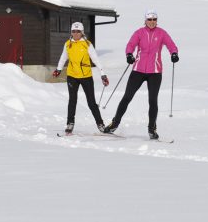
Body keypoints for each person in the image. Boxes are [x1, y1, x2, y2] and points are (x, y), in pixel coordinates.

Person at [103, 10, 179, 140]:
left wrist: (174, 53)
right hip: (138, 70)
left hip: (154, 72)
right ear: (145, 20)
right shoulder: (139, 32)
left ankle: (151, 129)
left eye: (154, 19)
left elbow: (171, 44)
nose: (152, 22)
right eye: (149, 19)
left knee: (153, 101)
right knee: (127, 97)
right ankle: (114, 124)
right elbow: (130, 45)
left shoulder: (161, 33)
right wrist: (129, 54)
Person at [54, 22, 109, 135]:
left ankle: (100, 124)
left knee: (91, 102)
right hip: (72, 76)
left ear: (82, 32)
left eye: (78, 31)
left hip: (86, 76)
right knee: (72, 100)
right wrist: (58, 69)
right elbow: (63, 57)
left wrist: (102, 73)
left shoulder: (87, 44)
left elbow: (95, 59)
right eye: (73, 31)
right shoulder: (68, 44)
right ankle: (70, 123)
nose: (75, 34)